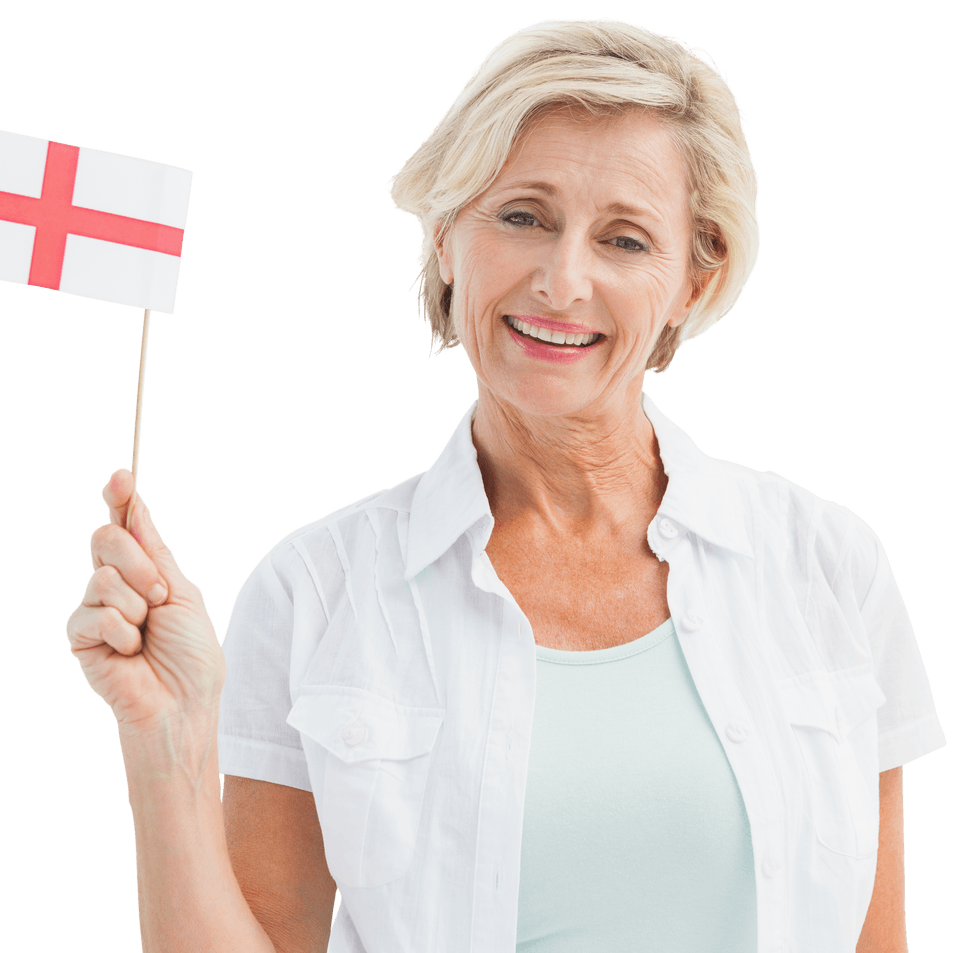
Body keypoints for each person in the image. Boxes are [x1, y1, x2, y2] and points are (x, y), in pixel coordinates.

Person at [66, 17, 946, 953]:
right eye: (522, 216)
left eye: (625, 239)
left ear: (695, 277)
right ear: (447, 236)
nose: (563, 282)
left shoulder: (827, 565)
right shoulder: (315, 590)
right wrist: (166, 742)